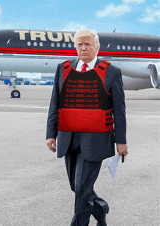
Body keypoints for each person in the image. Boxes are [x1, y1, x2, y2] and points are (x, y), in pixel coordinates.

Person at [46, 29, 128, 226]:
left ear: (97, 46)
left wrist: (121, 141)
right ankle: (100, 208)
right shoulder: (62, 68)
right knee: (77, 187)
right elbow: (55, 103)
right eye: (79, 44)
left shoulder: (112, 72)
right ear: (75, 46)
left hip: (96, 139)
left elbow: (119, 109)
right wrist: (51, 134)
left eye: (88, 44)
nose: (83, 48)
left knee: (82, 190)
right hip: (68, 138)